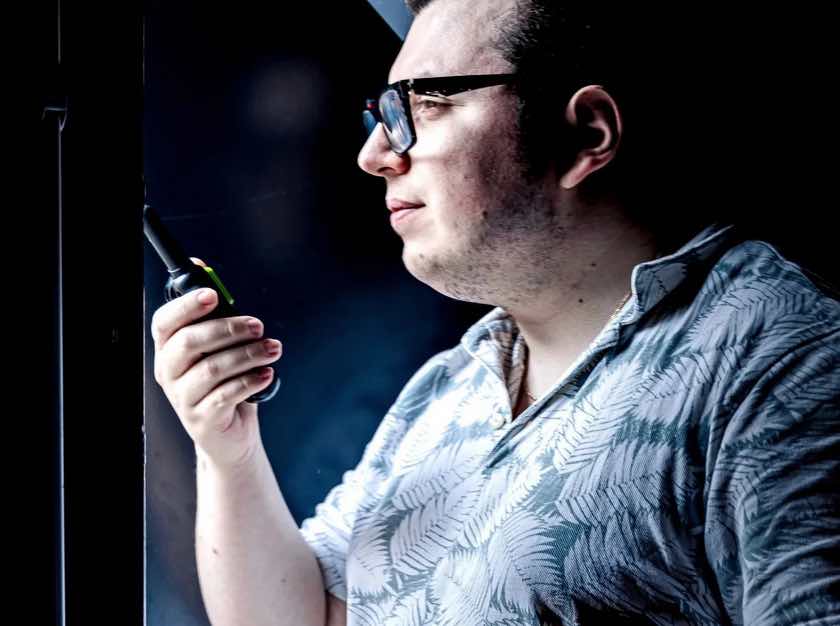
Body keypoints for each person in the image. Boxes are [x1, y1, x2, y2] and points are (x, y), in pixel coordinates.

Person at [150, 0, 840, 624]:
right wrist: (230, 451)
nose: (375, 154)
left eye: (426, 104)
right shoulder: (448, 391)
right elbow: (310, 618)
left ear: (586, 134)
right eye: (383, 114)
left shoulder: (778, 360)